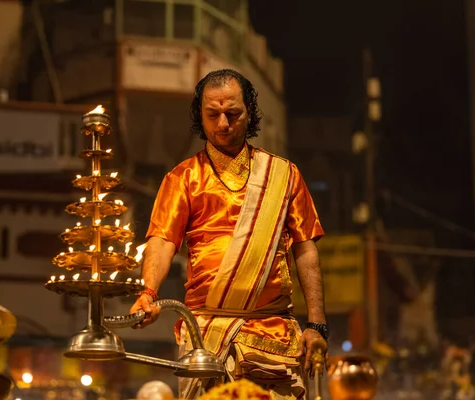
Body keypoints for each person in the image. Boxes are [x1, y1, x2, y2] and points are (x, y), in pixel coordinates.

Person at [129, 69, 328, 399]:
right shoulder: (182, 178)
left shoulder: (284, 175)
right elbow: (162, 240)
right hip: (206, 336)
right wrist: (148, 292)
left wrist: (317, 324)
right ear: (200, 116)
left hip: (274, 337)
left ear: (249, 112)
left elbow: (305, 250)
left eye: (232, 113)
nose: (223, 124)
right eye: (213, 114)